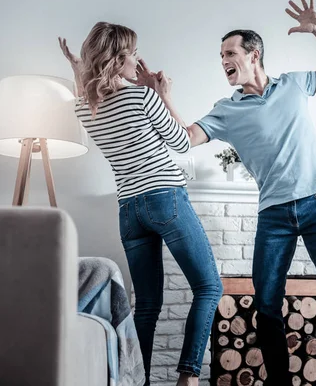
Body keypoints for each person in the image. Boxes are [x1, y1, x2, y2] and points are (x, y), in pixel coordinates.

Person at [185, 0, 316, 386]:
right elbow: (185, 138)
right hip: (274, 216)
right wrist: (162, 95)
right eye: (220, 55)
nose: (223, 61)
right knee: (267, 304)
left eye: (230, 52)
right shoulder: (226, 109)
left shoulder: (293, 84)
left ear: (253, 54)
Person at [59, 22, 223, 386]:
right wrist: (161, 92)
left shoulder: (85, 110)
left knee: (146, 305)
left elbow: (85, 94)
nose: (138, 60)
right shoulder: (142, 96)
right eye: (132, 53)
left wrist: (77, 68)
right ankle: (189, 376)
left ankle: (137, 381)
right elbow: (181, 143)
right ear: (118, 59)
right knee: (210, 287)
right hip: (165, 198)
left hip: (129, 211)